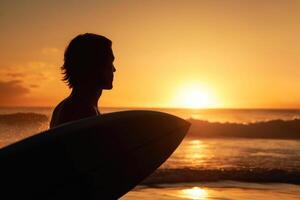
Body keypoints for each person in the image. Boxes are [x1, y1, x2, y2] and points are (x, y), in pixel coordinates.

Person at [50, 33, 116, 128]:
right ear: (94, 65)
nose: (114, 69)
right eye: (110, 62)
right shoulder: (83, 110)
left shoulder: (70, 105)